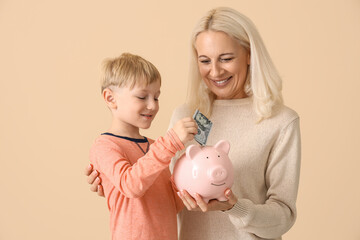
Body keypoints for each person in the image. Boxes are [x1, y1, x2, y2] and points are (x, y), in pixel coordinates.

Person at [86, 7, 301, 240]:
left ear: (249, 54)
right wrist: (114, 185)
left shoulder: (281, 122)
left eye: (226, 59)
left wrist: (233, 207)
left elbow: (283, 217)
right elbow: (164, 190)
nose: (215, 71)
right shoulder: (185, 116)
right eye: (205, 60)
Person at [88, 52, 197, 240]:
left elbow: (172, 205)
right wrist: (171, 142)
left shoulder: (154, 148)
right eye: (142, 97)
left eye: (156, 97)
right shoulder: (105, 146)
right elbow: (131, 185)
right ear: (110, 98)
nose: (152, 106)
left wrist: (194, 176)